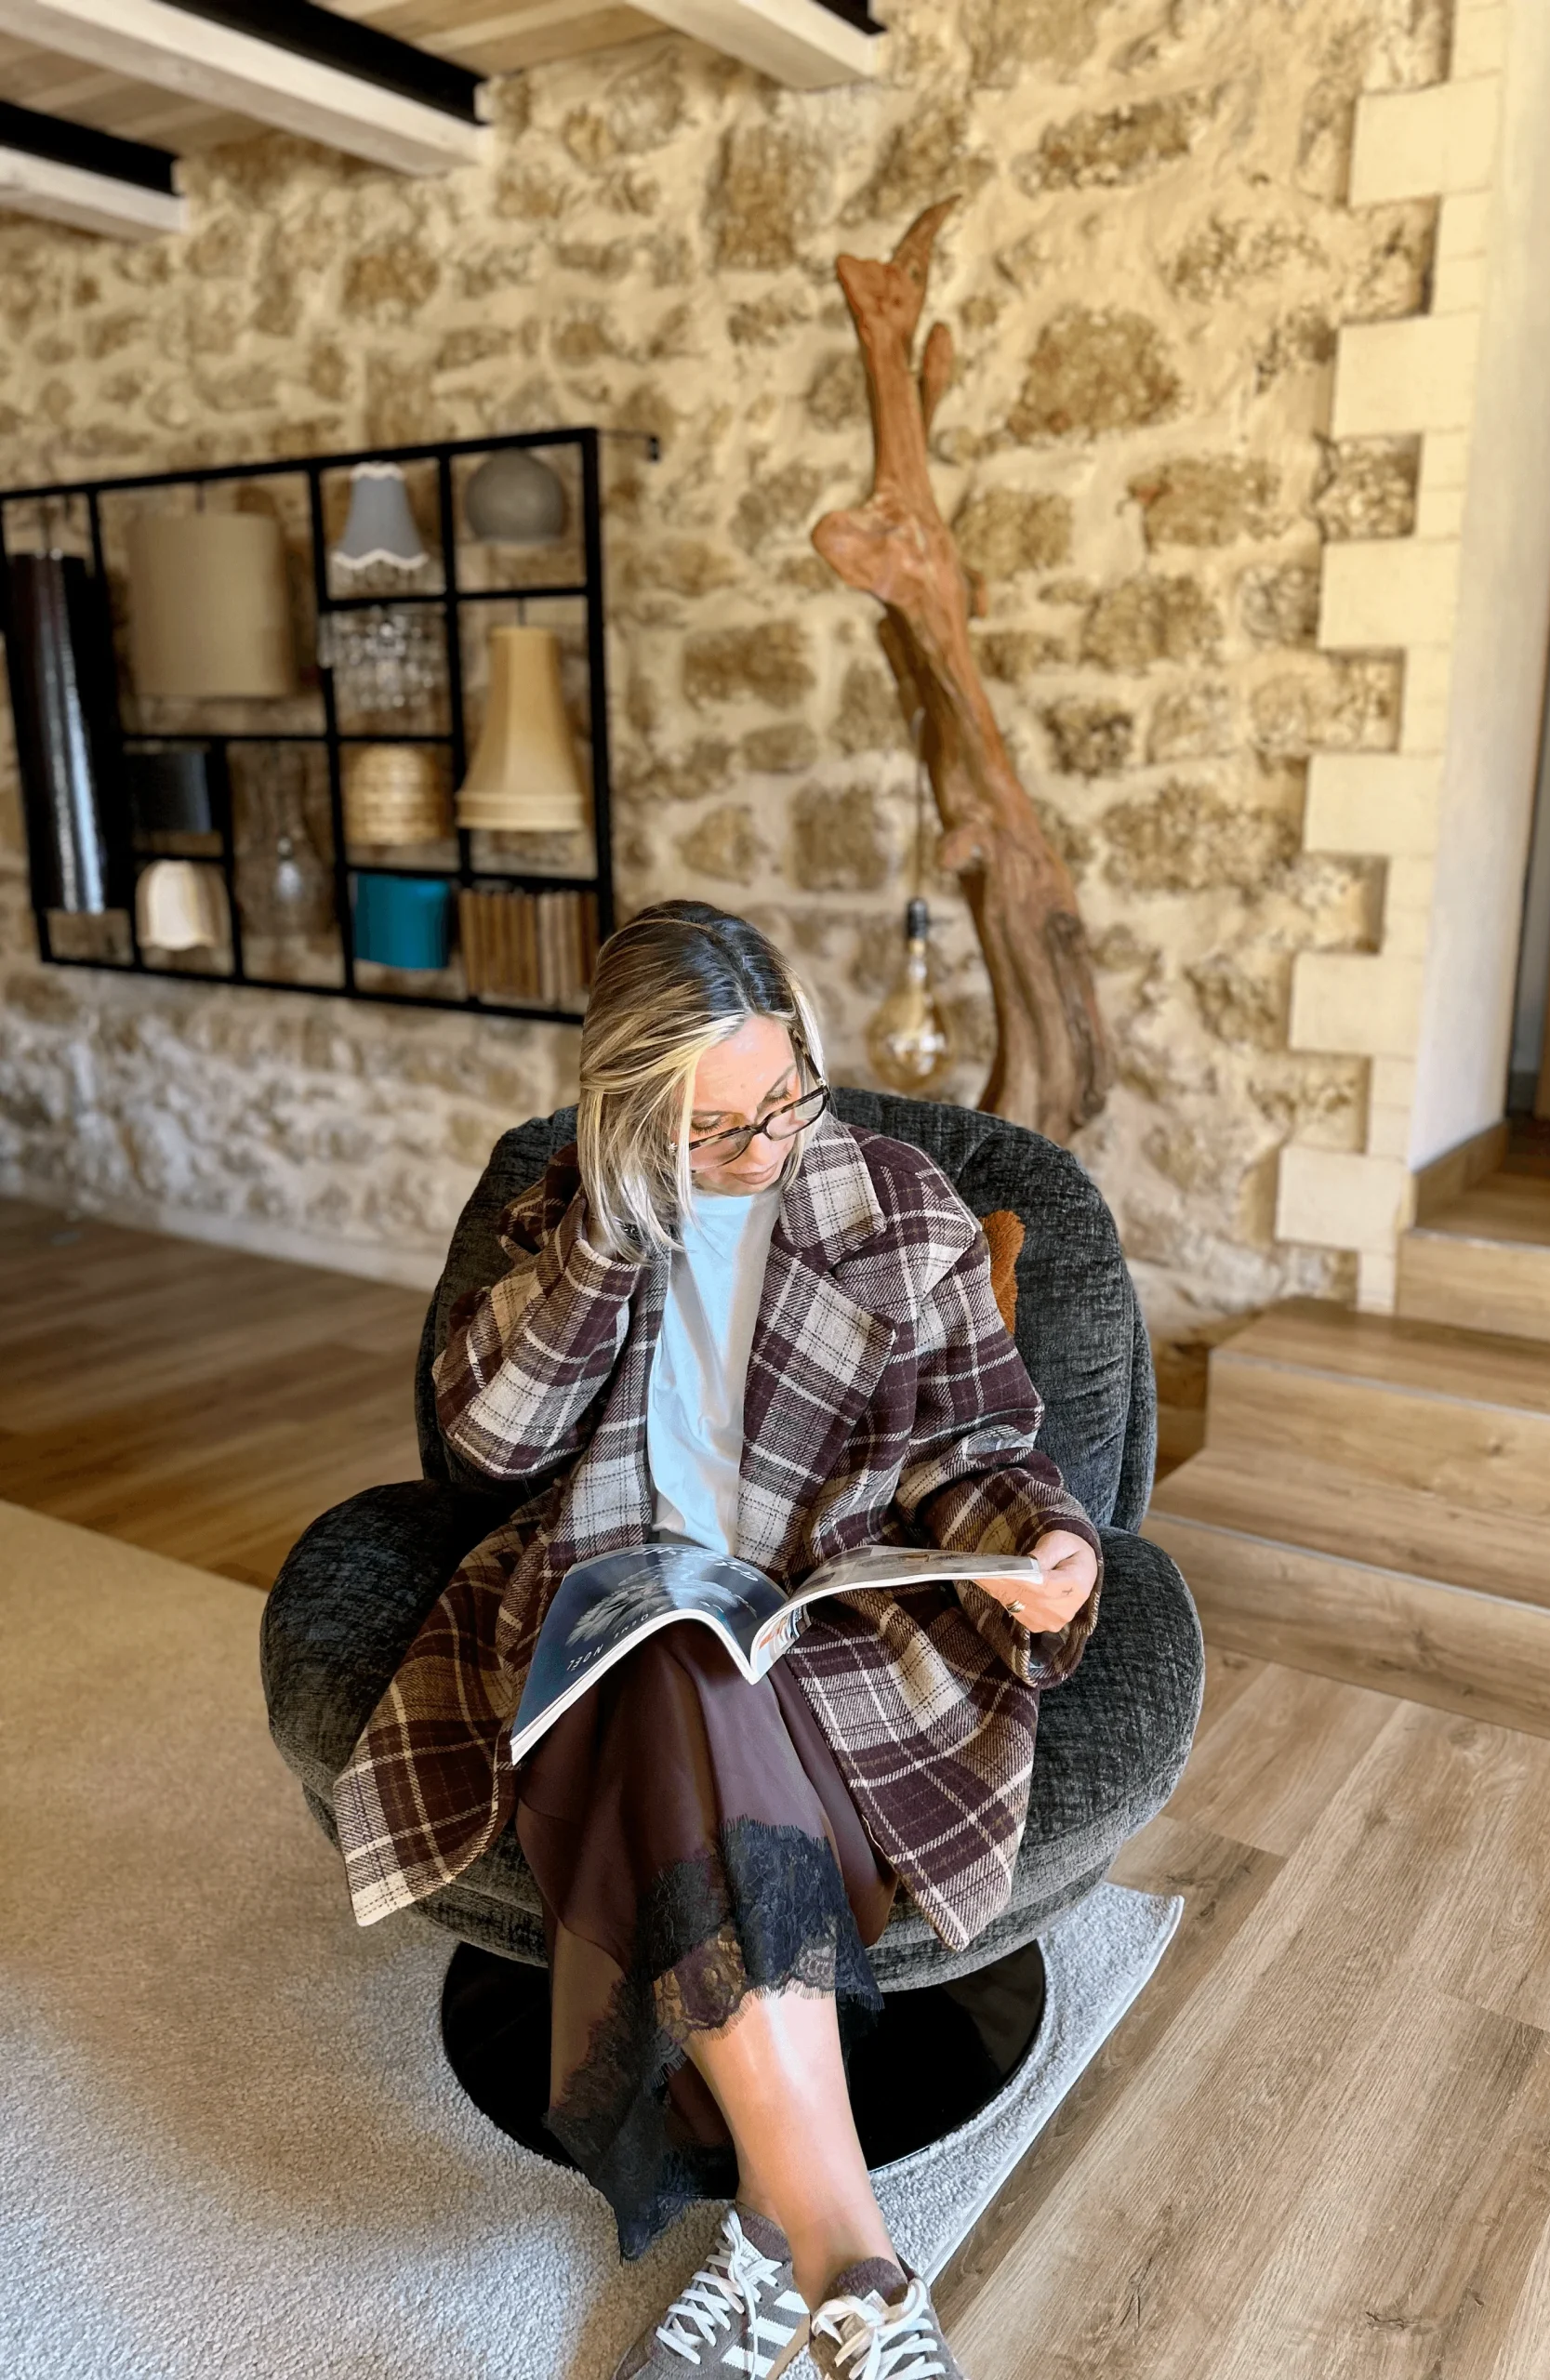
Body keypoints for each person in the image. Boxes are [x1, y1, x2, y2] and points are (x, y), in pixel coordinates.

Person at [334, 901, 1102, 2380]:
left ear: (806, 1052)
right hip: (600, 1639)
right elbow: (488, 1450)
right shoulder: (577, 1216)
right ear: (632, 1114)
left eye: (784, 1097)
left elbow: (982, 1445)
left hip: (830, 1651)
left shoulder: (898, 1208)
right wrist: (609, 1237)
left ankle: (784, 2239)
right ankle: (849, 2265)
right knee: (665, 1648)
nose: (762, 1148)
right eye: (713, 1128)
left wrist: (1043, 1547)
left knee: (696, 1678)